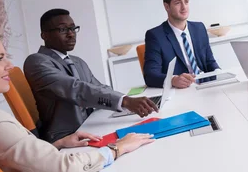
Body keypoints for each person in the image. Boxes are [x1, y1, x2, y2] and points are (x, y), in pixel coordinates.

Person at [0, 25, 154, 172]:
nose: (9, 65)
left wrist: (56, 144)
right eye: (0, 59)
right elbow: (65, 169)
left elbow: (8, 155)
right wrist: (117, 148)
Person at [24, 9, 158, 143]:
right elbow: (75, 89)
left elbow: (98, 87)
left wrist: (127, 101)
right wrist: (125, 101)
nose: (71, 34)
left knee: (145, 132)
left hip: (91, 125)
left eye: (73, 28)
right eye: (63, 30)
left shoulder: (77, 62)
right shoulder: (36, 62)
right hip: (67, 137)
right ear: (44, 35)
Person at [143, 0, 220, 88]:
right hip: (182, 90)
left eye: (186, 2)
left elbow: (209, 61)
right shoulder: (155, 36)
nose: (184, 7)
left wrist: (219, 73)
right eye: (178, 3)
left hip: (206, 85)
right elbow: (150, 75)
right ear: (167, 7)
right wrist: (173, 80)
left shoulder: (199, 28)